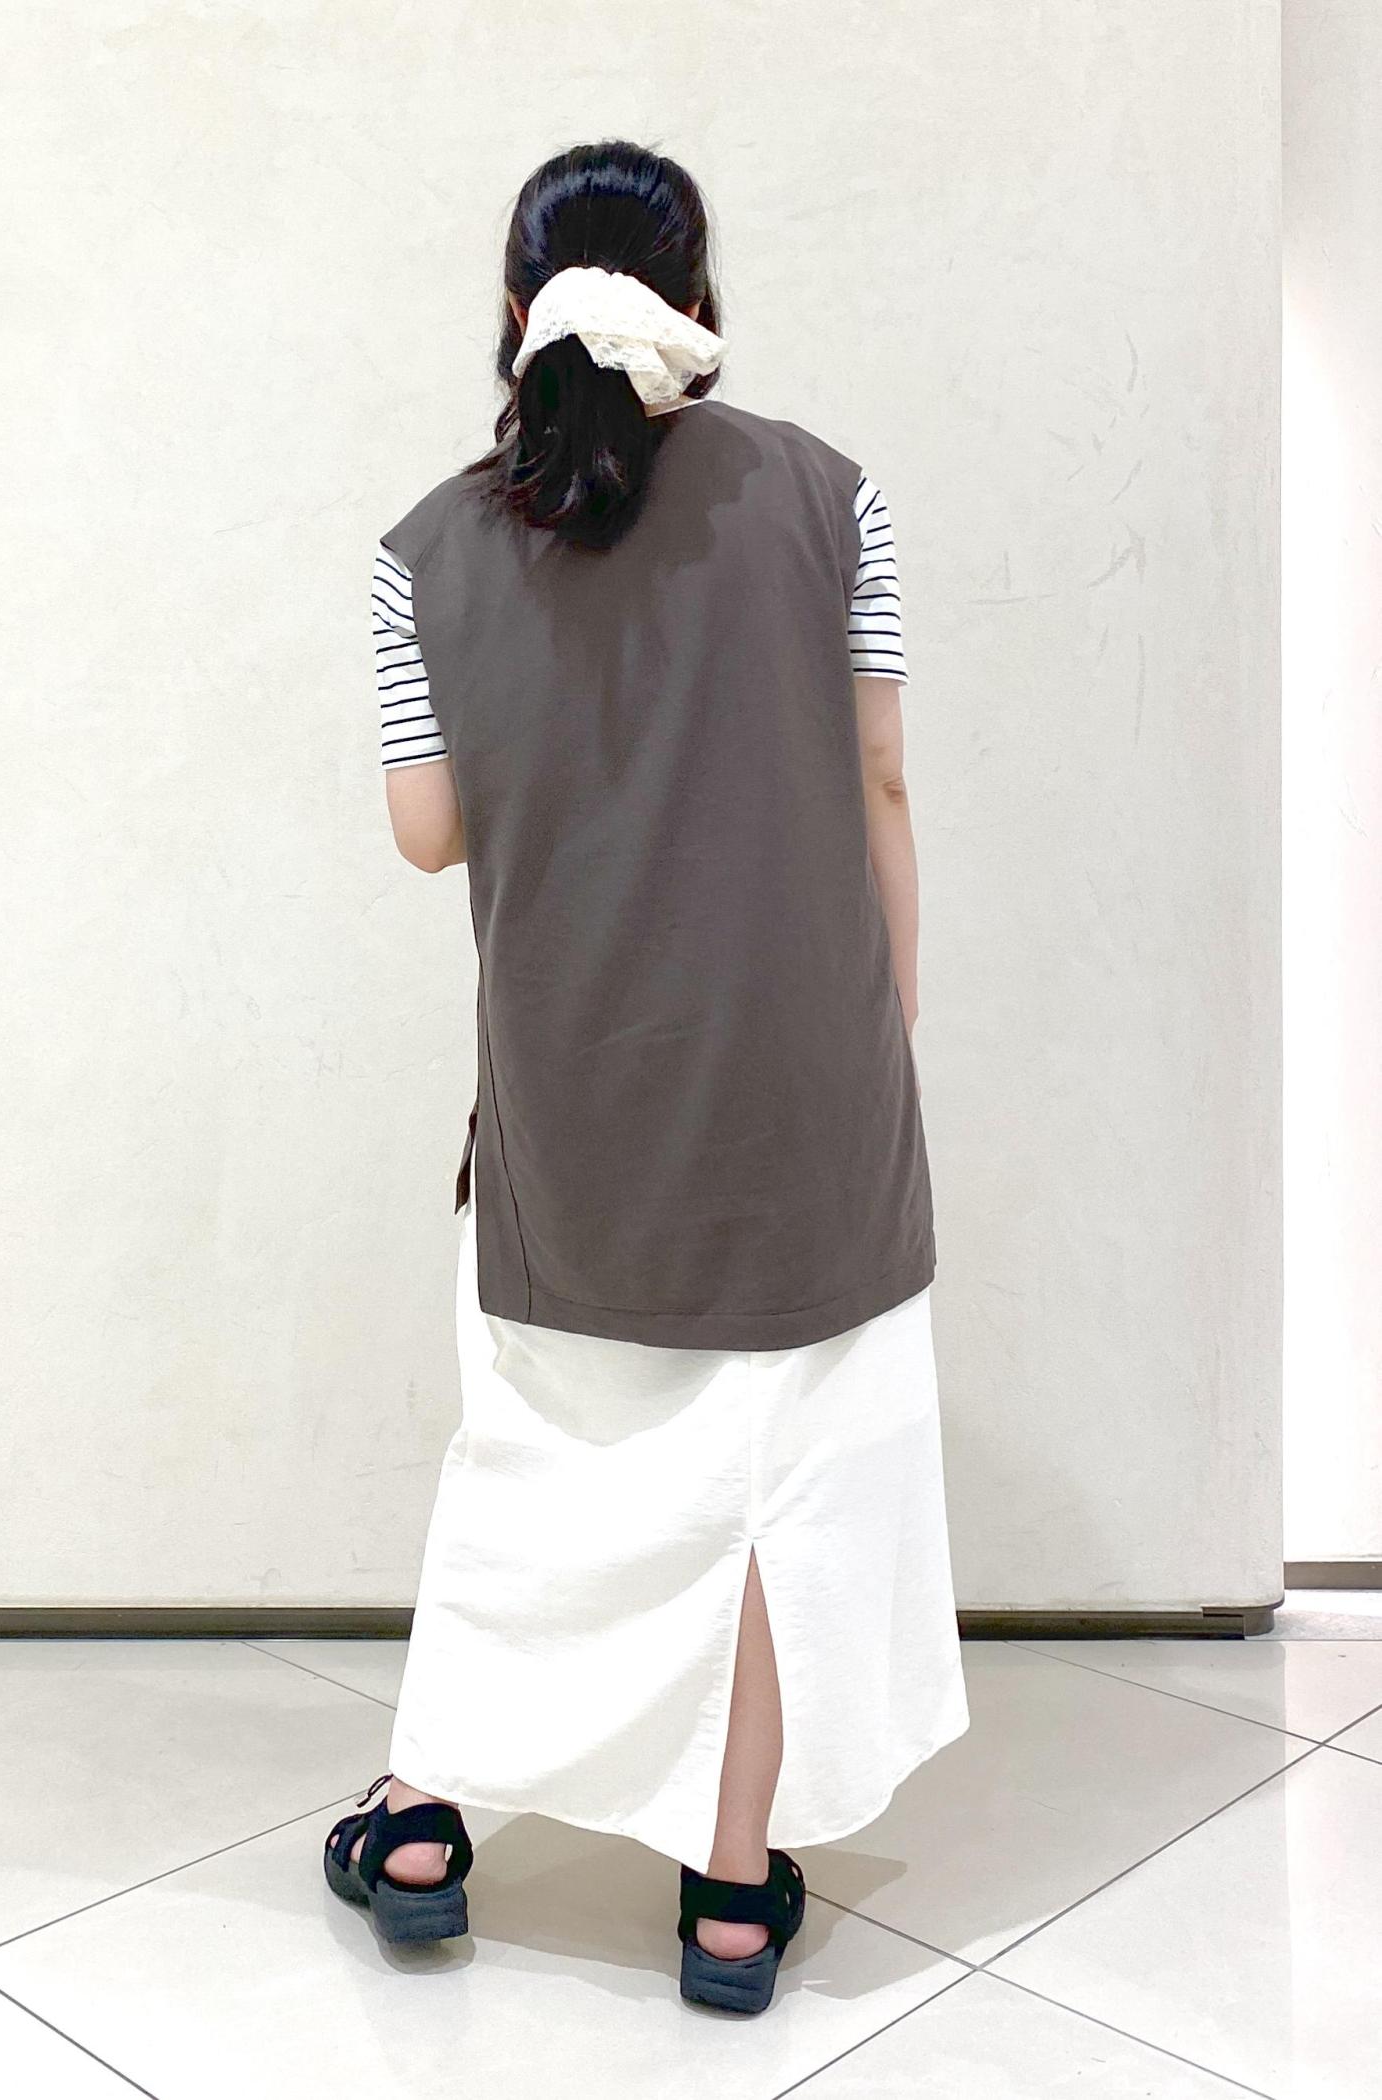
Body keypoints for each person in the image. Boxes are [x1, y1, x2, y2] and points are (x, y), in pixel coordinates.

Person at [325, 138, 970, 2016]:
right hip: (808, 1087)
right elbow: (880, 777)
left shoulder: (423, 551)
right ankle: (734, 1899)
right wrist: (884, 1036)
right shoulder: (831, 497)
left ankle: (424, 1825)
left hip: (571, 1089)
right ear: (701, 301)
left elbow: (428, 836)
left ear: (514, 311)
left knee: (541, 1461)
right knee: (781, 1490)